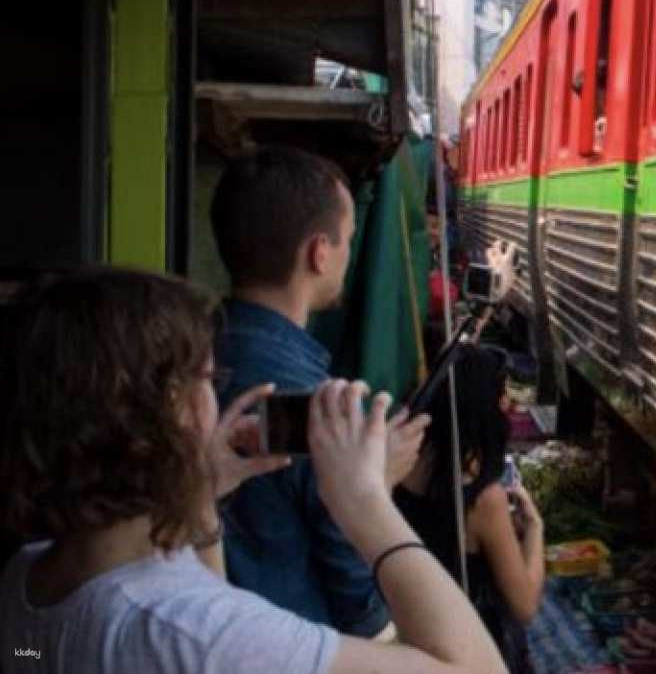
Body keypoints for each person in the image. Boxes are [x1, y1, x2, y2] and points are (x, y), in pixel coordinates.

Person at [0, 267, 506, 673]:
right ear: (173, 409)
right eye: (206, 377)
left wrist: (199, 496)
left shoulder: (28, 581)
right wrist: (365, 500)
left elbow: (196, 609)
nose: (214, 395)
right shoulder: (198, 635)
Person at [208, 146, 431, 635]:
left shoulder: (190, 358)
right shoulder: (317, 406)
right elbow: (361, 608)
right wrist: (372, 484)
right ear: (319, 253)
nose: (348, 254)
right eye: (347, 239)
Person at [395, 346, 544, 672]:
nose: (507, 406)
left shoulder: (399, 464)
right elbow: (525, 606)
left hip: (410, 635)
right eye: (501, 396)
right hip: (469, 647)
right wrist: (535, 530)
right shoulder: (483, 499)